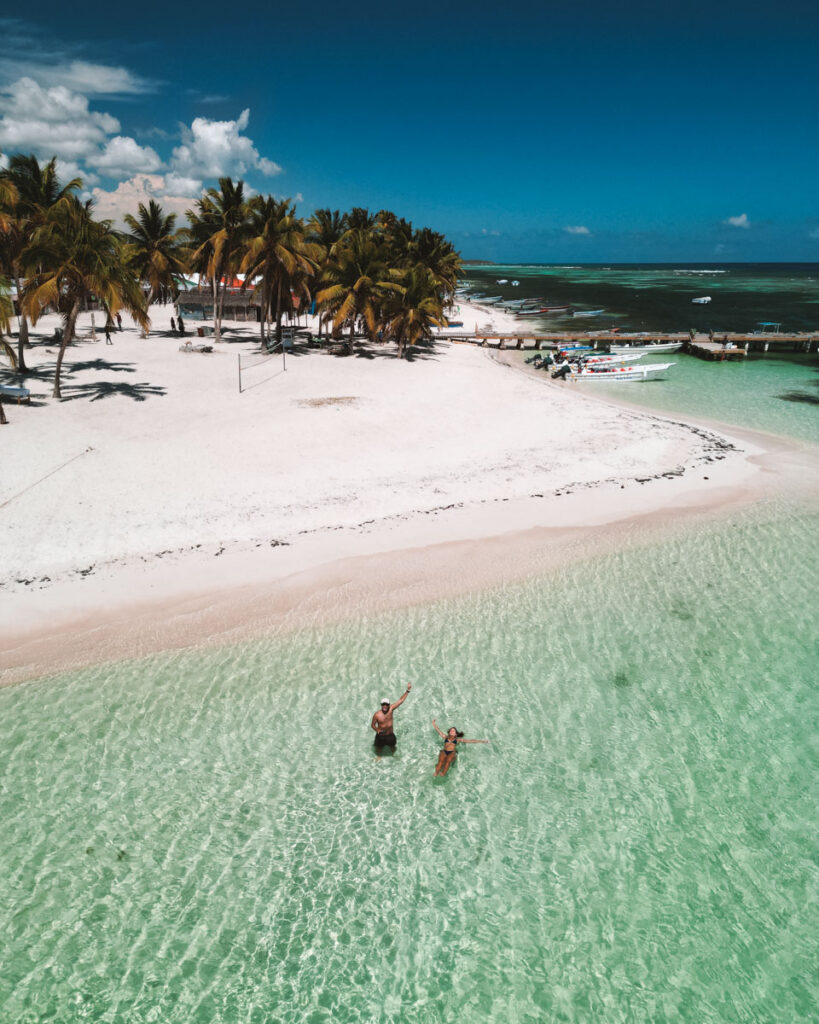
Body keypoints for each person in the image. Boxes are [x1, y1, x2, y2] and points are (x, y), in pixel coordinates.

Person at [371, 685, 412, 751]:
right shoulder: (377, 715)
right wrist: (377, 730)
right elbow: (372, 725)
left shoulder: (391, 709)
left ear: (389, 705)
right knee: (379, 748)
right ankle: (379, 756)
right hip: (381, 736)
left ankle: (393, 755)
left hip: (390, 734)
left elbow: (401, 700)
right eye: (383, 704)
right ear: (381, 705)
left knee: (393, 746)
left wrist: (408, 690)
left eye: (386, 704)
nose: (385, 706)